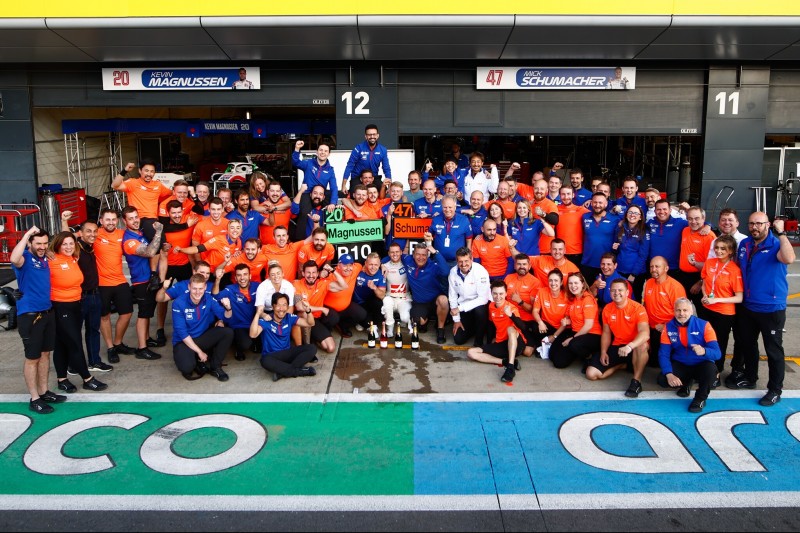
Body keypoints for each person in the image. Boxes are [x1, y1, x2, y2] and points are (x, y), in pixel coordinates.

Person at [730, 212, 796, 406]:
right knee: (748, 345)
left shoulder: (776, 244)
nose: (754, 227)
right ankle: (750, 378)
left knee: (773, 349)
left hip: (771, 308)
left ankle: (775, 389)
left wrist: (782, 233)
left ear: (767, 224)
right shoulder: (745, 244)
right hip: (748, 305)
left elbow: (789, 258)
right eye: (751, 224)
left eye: (759, 223)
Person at [11, 227, 66, 414]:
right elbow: (13, 259)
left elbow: (64, 243)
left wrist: (46, 249)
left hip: (47, 312)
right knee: (32, 358)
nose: (42, 247)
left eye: (44, 243)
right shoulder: (24, 258)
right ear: (30, 243)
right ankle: (34, 398)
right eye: (38, 244)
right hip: (30, 315)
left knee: (45, 355)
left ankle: (44, 391)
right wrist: (26, 235)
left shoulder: (44, 258)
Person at [47, 231, 108, 393]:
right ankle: (87, 378)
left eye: (71, 243)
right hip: (60, 306)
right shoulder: (50, 260)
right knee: (75, 343)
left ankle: (62, 379)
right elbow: (31, 253)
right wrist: (46, 250)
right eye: (64, 244)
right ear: (57, 245)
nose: (68, 247)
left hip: (76, 305)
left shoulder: (73, 258)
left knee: (61, 344)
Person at [59, 212, 113, 372]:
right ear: (80, 233)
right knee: (74, 333)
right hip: (80, 298)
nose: (93, 234)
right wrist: (64, 221)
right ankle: (73, 365)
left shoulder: (91, 247)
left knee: (93, 331)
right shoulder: (75, 247)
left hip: (95, 295)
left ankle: (94, 361)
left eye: (95, 231)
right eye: (89, 231)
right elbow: (65, 238)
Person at [586, 278, 650, 398]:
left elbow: (645, 333)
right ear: (610, 292)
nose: (616, 293)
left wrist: (630, 346)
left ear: (627, 292)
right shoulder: (607, 309)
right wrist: (604, 352)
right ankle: (622, 365)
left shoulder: (638, 308)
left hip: (634, 347)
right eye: (613, 290)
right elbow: (606, 333)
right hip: (617, 346)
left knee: (642, 345)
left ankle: (636, 382)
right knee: (591, 374)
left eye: (620, 290)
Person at [658, 298, 721, 413]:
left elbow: (717, 353)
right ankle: (686, 383)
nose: (681, 313)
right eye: (678, 310)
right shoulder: (668, 327)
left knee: (710, 373)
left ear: (691, 311)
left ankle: (700, 399)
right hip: (681, 363)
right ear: (674, 311)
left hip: (701, 364)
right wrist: (669, 374)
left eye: (685, 310)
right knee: (662, 380)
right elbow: (663, 354)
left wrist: (704, 351)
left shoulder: (704, 325)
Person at [171, 274, 234, 381]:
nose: (197, 292)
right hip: (183, 342)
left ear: (205, 288)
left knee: (227, 332)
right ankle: (196, 358)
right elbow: (182, 333)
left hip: (201, 337)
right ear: (189, 287)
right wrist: (200, 352)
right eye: (194, 288)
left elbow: (225, 317)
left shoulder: (208, 298)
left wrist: (228, 308)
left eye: (200, 288)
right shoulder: (178, 303)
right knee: (187, 368)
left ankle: (215, 366)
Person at [121, 206, 165, 361]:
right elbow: (149, 252)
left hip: (150, 279)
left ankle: (146, 339)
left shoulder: (139, 233)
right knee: (143, 314)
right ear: (124, 221)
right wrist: (159, 232)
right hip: (141, 281)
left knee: (148, 313)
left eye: (136, 217)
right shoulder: (129, 240)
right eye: (130, 218)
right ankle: (142, 348)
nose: (134, 220)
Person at [699, 235, 743, 387]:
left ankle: (716, 372)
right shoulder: (709, 263)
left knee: (719, 343)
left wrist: (716, 300)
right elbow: (704, 282)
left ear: (731, 251)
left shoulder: (734, 270)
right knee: (705, 340)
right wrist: (705, 295)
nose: (718, 251)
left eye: (723, 248)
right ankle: (706, 370)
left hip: (724, 313)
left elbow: (739, 298)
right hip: (706, 308)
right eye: (717, 248)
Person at [466, 280, 528, 383]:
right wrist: (490, 342)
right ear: (491, 293)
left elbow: (523, 327)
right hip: (501, 343)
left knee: (510, 329)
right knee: (471, 353)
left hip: (516, 344)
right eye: (495, 293)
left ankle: (510, 368)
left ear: (506, 294)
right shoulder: (491, 306)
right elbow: (491, 325)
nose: (498, 296)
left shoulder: (511, 308)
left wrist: (511, 315)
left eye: (501, 293)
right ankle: (505, 362)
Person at [95, 208, 136, 364]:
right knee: (104, 317)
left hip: (120, 281)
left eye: (113, 220)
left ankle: (118, 343)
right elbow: (69, 238)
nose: (111, 222)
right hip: (102, 284)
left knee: (127, 313)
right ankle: (110, 347)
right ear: (101, 221)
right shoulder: (95, 234)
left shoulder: (122, 234)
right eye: (108, 219)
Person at [250, 293, 318, 382]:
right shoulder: (266, 320)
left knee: (311, 348)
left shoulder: (289, 317)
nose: (281, 309)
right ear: (273, 306)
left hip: (287, 353)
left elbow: (310, 323)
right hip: (272, 356)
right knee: (265, 361)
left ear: (287, 307)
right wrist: (258, 314)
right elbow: (252, 334)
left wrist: (308, 310)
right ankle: (301, 371)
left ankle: (282, 372)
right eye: (278, 305)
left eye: (284, 305)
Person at [548, 272, 602, 370]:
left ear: (582, 284)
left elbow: (588, 326)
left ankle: (590, 357)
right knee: (552, 355)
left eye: (576, 283)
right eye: (570, 283)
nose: (573, 286)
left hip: (591, 334)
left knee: (560, 361)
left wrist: (572, 338)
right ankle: (576, 351)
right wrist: (566, 321)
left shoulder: (587, 299)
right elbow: (568, 317)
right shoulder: (573, 299)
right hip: (575, 332)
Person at [402, 240, 451, 344]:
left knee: (444, 300)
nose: (421, 257)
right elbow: (395, 256)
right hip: (420, 303)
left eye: (424, 255)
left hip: (435, 302)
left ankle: (440, 329)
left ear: (428, 255)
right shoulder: (408, 260)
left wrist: (435, 252)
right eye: (418, 254)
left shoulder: (433, 265)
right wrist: (383, 264)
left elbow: (446, 271)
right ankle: (426, 320)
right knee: (418, 324)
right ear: (413, 254)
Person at [112, 160, 172, 244]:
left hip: (153, 220)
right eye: (146, 171)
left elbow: (171, 193)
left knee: (161, 247)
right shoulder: (133, 182)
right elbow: (114, 185)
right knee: (160, 245)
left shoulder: (158, 185)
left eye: (152, 171)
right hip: (138, 219)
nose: (149, 174)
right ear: (140, 171)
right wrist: (125, 170)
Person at [642, 255, 687, 367]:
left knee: (657, 363)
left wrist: (666, 326)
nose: (653, 269)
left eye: (657, 266)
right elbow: (645, 305)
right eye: (651, 266)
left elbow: (684, 315)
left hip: (667, 328)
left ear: (666, 268)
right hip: (650, 327)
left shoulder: (675, 287)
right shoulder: (648, 283)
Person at [291, 139, 337, 240]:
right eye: (321, 150)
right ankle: (300, 241)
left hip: (321, 195)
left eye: (325, 151)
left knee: (332, 213)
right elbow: (295, 162)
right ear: (317, 151)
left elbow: (334, 188)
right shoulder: (308, 163)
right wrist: (297, 149)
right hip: (308, 194)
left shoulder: (330, 170)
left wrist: (333, 203)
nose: (323, 153)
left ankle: (329, 239)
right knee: (303, 215)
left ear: (329, 154)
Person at [214, 263, 259, 361]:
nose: (242, 278)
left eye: (245, 274)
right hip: (239, 325)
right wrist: (217, 280)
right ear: (235, 277)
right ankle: (238, 348)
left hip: (255, 324)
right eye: (239, 275)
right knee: (245, 344)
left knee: (261, 346)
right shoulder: (230, 289)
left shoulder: (257, 286)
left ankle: (254, 341)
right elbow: (215, 296)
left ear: (250, 276)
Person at [448, 246, 492, 346]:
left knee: (480, 311)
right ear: (456, 261)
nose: (464, 265)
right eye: (460, 261)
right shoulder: (453, 272)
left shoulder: (480, 271)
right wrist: (456, 320)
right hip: (464, 309)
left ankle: (479, 340)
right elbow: (452, 297)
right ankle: (475, 328)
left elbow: (483, 299)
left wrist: (459, 308)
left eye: (466, 261)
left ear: (472, 259)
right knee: (458, 340)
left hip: (478, 307)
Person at [293, 260, 338, 354]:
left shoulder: (322, 283)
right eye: (308, 272)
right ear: (303, 273)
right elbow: (299, 307)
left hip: (316, 320)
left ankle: (315, 337)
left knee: (330, 348)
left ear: (318, 273)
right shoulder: (297, 284)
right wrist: (321, 308)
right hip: (305, 319)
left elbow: (343, 286)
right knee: (305, 313)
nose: (311, 275)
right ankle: (307, 346)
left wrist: (333, 271)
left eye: (314, 272)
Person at [581, 192, 621, 283]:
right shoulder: (584, 217)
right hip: (587, 263)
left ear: (606, 204)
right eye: (595, 202)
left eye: (600, 203)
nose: (597, 205)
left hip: (606, 265)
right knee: (588, 292)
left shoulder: (615, 219)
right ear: (591, 203)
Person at [612, 204, 650, 300]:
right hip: (620, 270)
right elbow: (616, 249)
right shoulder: (620, 228)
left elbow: (643, 255)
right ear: (626, 214)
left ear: (640, 217)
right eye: (630, 212)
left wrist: (633, 274)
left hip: (636, 273)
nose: (632, 215)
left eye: (636, 213)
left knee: (634, 299)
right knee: (620, 298)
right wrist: (614, 248)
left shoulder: (644, 231)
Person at [342, 124, 392, 196]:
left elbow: (386, 168)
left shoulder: (383, 150)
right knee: (355, 194)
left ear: (377, 135)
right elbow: (350, 165)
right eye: (369, 135)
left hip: (373, 177)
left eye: (374, 134)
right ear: (366, 136)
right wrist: (343, 185)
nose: (372, 137)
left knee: (383, 192)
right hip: (358, 177)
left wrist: (389, 186)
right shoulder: (358, 148)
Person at [324, 254, 364, 337]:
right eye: (345, 265)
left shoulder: (355, 269)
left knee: (361, 314)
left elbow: (363, 265)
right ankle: (326, 328)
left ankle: (342, 325)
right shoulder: (330, 276)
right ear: (338, 265)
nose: (348, 268)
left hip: (345, 307)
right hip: (329, 309)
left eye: (350, 265)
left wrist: (382, 266)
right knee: (333, 319)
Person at [531, 269, 569, 350]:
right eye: (550, 280)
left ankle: (551, 343)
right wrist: (540, 322)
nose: (553, 283)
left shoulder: (567, 296)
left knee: (556, 355)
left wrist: (554, 336)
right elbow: (535, 311)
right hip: (546, 326)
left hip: (561, 329)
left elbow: (566, 322)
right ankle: (540, 346)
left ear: (561, 282)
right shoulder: (542, 292)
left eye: (556, 280)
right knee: (535, 326)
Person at [429, 195, 473, 266]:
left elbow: (469, 240)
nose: (447, 210)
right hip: (439, 260)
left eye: (450, 207)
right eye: (445, 207)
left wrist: (468, 257)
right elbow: (429, 238)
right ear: (442, 207)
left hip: (458, 262)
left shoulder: (464, 220)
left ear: (455, 207)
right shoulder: (436, 220)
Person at [351, 252, 387, 334]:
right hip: (356, 303)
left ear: (379, 265)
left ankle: (369, 322)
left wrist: (374, 288)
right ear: (365, 264)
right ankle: (362, 321)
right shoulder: (359, 271)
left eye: (376, 265)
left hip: (369, 303)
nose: (373, 267)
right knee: (363, 319)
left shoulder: (381, 275)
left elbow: (382, 296)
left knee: (379, 303)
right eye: (371, 264)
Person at [381, 244, 412, 335]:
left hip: (403, 298)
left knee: (405, 318)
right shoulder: (384, 266)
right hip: (390, 297)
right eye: (392, 252)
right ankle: (390, 328)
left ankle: (408, 322)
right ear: (389, 254)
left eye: (397, 252)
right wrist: (381, 265)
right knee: (386, 302)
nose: (395, 254)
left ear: (401, 252)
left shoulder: (407, 264)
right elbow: (376, 262)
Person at [556, 185, 589, 265]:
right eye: (563, 194)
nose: (566, 197)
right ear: (560, 195)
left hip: (576, 252)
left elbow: (596, 216)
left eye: (568, 194)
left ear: (573, 195)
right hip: (559, 252)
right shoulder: (555, 209)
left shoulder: (581, 210)